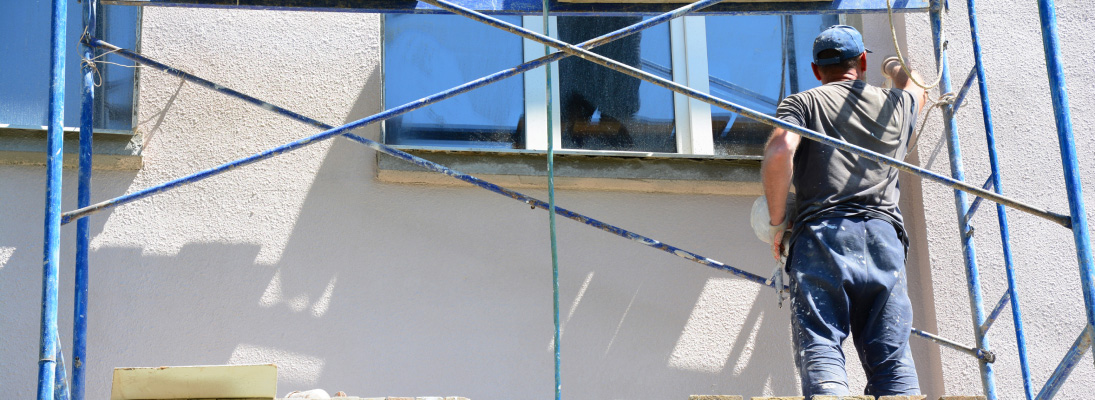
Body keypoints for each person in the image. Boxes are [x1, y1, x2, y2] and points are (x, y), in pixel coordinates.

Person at [759, 25, 926, 398]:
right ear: (861, 62)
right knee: (891, 356)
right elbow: (917, 86)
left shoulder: (803, 103)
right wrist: (891, 64)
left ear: (817, 70)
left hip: (823, 237)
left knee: (821, 343)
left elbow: (779, 153)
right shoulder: (896, 105)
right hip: (884, 240)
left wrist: (776, 225)